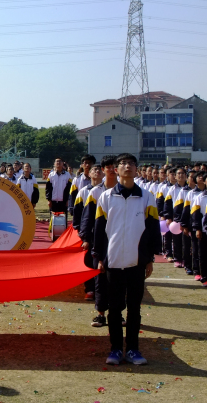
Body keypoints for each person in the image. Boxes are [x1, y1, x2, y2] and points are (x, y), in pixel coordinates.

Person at [94, 153, 159, 366]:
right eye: (123, 163)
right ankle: (115, 349)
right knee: (114, 308)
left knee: (134, 308)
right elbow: (99, 230)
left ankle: (132, 349)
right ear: (116, 169)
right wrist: (100, 257)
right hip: (113, 261)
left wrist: (149, 258)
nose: (127, 167)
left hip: (136, 262)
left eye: (131, 163)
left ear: (136, 169)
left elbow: (153, 230)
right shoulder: (105, 197)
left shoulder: (147, 197)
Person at [80, 155, 119, 327]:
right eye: (107, 167)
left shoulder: (125, 191)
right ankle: (100, 314)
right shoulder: (95, 192)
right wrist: (86, 238)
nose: (111, 169)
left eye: (113, 166)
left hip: (119, 240)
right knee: (100, 278)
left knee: (118, 279)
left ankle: (117, 314)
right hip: (99, 240)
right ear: (103, 170)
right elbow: (87, 218)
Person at [72, 162, 103, 301]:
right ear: (89, 173)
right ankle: (90, 289)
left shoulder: (108, 190)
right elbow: (77, 213)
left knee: (103, 261)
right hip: (89, 234)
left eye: (99, 170)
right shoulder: (83, 191)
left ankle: (102, 289)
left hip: (104, 233)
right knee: (89, 261)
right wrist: (82, 234)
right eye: (94, 170)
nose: (97, 172)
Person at [190, 171, 207, 286]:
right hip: (204, 230)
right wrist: (197, 228)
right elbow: (195, 214)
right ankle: (205, 276)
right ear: (204, 181)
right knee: (204, 254)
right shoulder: (200, 197)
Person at [163, 168, 190, 271]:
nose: (181, 175)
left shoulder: (189, 189)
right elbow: (168, 204)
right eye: (178, 173)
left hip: (187, 218)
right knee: (177, 240)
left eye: (183, 173)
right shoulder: (172, 189)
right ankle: (177, 258)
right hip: (176, 218)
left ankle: (185, 260)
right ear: (175, 176)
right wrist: (169, 217)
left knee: (187, 241)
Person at [45, 157, 72, 222]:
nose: (58, 163)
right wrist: (49, 200)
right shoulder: (51, 175)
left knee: (63, 220)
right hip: (53, 201)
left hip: (63, 201)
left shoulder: (67, 175)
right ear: (54, 164)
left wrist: (68, 200)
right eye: (56, 161)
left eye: (60, 161)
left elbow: (69, 189)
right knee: (53, 219)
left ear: (63, 163)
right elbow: (48, 188)